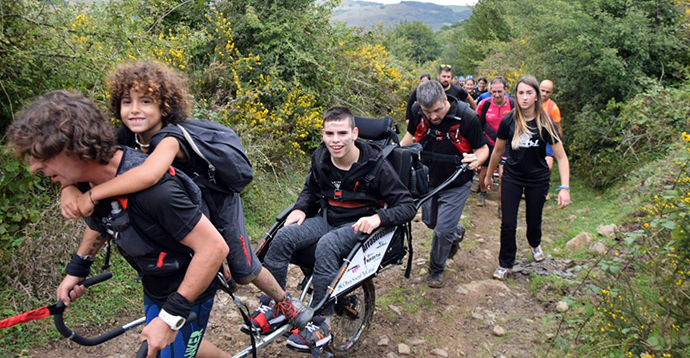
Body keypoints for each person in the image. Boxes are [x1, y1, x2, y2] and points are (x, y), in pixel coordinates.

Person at [59, 61, 313, 337]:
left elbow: (149, 174)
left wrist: (92, 195)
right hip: (186, 203)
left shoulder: (171, 137)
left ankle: (285, 302)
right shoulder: (125, 137)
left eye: (145, 101)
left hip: (217, 199)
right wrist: (69, 186)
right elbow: (86, 160)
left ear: (164, 107)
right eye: (126, 101)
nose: (134, 110)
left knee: (243, 269)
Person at [6, 90, 229, 358]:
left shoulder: (157, 193)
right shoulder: (91, 184)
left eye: (42, 155)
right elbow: (105, 220)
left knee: (173, 347)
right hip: (155, 283)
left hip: (191, 291)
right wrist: (78, 269)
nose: (33, 167)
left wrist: (171, 317)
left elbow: (214, 248)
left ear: (75, 147)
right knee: (168, 348)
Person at [260, 106, 416, 351]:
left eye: (342, 133)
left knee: (328, 244)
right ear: (323, 134)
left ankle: (322, 323)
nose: (336, 140)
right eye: (330, 134)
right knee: (283, 236)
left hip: (358, 225)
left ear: (354, 133)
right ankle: (275, 305)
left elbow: (407, 206)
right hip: (327, 218)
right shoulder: (320, 157)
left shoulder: (376, 164)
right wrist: (301, 207)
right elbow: (310, 188)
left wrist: (379, 218)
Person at [401, 81, 488, 288]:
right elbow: (409, 137)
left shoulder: (467, 117)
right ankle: (455, 232)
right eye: (427, 111)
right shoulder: (416, 111)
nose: (433, 117)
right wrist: (391, 152)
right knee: (431, 222)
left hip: (457, 182)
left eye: (437, 110)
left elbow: (482, 148)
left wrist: (477, 160)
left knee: (441, 231)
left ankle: (436, 269)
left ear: (445, 99)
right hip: (429, 180)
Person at [484, 76, 571, 280]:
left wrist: (564, 187)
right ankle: (505, 264)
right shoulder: (509, 120)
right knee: (508, 222)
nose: (524, 98)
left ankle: (534, 242)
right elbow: (497, 151)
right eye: (520, 93)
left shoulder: (546, 122)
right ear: (515, 95)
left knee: (534, 220)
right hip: (512, 176)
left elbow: (561, 156)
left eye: (529, 93)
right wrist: (489, 175)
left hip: (537, 179)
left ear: (536, 97)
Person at [475, 76, 513, 207]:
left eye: (499, 91)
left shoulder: (513, 104)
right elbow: (477, 124)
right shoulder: (484, 104)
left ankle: (503, 204)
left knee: (504, 174)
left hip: (506, 144)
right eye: (493, 92)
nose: (496, 95)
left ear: (505, 90)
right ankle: (483, 192)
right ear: (490, 91)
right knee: (484, 171)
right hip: (488, 142)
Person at [540, 79, 564, 172]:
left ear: (551, 93)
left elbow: (558, 127)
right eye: (542, 90)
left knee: (548, 166)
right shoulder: (531, 103)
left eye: (547, 92)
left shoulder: (553, 108)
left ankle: (546, 181)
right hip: (533, 137)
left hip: (547, 139)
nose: (544, 94)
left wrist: (559, 143)